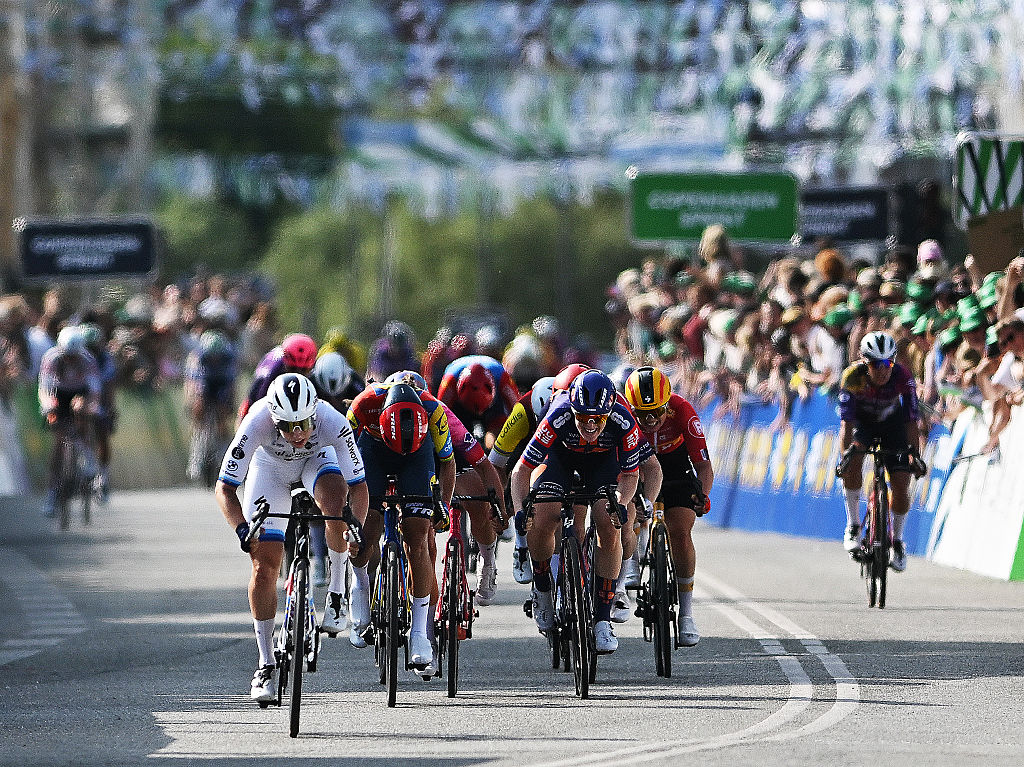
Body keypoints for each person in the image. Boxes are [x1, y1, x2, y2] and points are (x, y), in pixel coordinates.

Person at [216, 373, 369, 703]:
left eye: (303, 423)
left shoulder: (333, 421)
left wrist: (354, 524)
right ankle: (265, 665)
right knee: (264, 568)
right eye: (287, 426)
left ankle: (338, 594)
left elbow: (359, 486)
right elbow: (225, 488)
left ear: (315, 413)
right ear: (273, 419)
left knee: (333, 505)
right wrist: (243, 528)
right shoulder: (256, 420)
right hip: (269, 470)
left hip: (318, 461)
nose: (297, 434)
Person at [510, 370, 646, 654]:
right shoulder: (557, 415)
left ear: (609, 412)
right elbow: (521, 471)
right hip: (559, 459)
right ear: (572, 409)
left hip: (603, 465)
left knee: (609, 524)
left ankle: (602, 619)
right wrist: (522, 510)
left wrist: (620, 502)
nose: (591, 424)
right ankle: (544, 591)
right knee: (543, 515)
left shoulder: (624, 420)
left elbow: (631, 476)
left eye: (598, 418)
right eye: (583, 417)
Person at [346, 382, 456, 667]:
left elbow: (447, 462)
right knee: (364, 531)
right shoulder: (362, 406)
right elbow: (341, 452)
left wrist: (442, 502)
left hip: (418, 455)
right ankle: (359, 584)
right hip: (373, 451)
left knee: (417, 539)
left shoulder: (434, 411)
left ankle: (419, 632)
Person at [387, 371, 508, 605]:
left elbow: (483, 465)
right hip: (409, 464)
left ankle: (487, 560)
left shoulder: (438, 412)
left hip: (448, 460)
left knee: (478, 499)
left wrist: (499, 507)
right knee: (423, 540)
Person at [623, 366, 713, 646]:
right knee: (630, 514)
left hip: (675, 468)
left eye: (657, 412)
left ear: (667, 404)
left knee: (681, 531)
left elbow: (703, 465)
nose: (650, 420)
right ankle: (633, 559)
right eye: (642, 413)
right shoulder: (623, 414)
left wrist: (704, 495)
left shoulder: (683, 410)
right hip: (637, 467)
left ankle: (686, 614)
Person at [837, 331, 926, 573]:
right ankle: (854, 524)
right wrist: (846, 456)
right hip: (863, 425)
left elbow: (911, 422)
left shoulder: (902, 376)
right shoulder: (852, 377)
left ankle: (897, 541)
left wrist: (914, 456)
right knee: (852, 461)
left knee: (900, 483)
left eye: (888, 362)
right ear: (864, 363)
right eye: (876, 364)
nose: (883, 369)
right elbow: (847, 425)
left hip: (893, 425)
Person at [38, 326, 102, 516]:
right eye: (67, 355)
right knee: (58, 442)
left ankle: (86, 454)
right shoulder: (51, 358)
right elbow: (44, 389)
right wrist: (49, 407)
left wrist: (90, 406)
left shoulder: (88, 360)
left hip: (81, 392)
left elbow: (95, 391)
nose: (70, 360)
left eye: (73, 356)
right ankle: (52, 494)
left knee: (81, 409)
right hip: (59, 393)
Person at [184, 330, 238, 483]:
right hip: (204, 382)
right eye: (211, 356)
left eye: (217, 356)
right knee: (199, 410)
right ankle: (196, 458)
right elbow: (191, 384)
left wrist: (229, 406)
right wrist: (192, 404)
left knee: (223, 415)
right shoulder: (197, 358)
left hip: (221, 382)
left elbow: (232, 384)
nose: (214, 359)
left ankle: (224, 456)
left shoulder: (229, 357)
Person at [436, 354, 520, 449]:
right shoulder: (449, 381)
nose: (479, 413)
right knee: (452, 431)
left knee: (498, 432)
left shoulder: (502, 377)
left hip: (494, 405)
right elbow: (439, 417)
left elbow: (518, 411)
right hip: (460, 407)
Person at [237, 333, 317, 421]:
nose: (297, 375)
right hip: (259, 390)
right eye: (293, 369)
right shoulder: (274, 369)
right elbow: (258, 405)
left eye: (304, 370)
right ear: (285, 362)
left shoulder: (317, 369)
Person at [78, 323, 117, 503]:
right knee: (77, 417)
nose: (91, 352)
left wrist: (110, 408)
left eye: (94, 347)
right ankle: (83, 456)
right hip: (80, 394)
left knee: (102, 431)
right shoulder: (76, 356)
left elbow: (109, 386)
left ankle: (103, 476)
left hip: (99, 396)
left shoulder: (105, 358)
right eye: (87, 347)